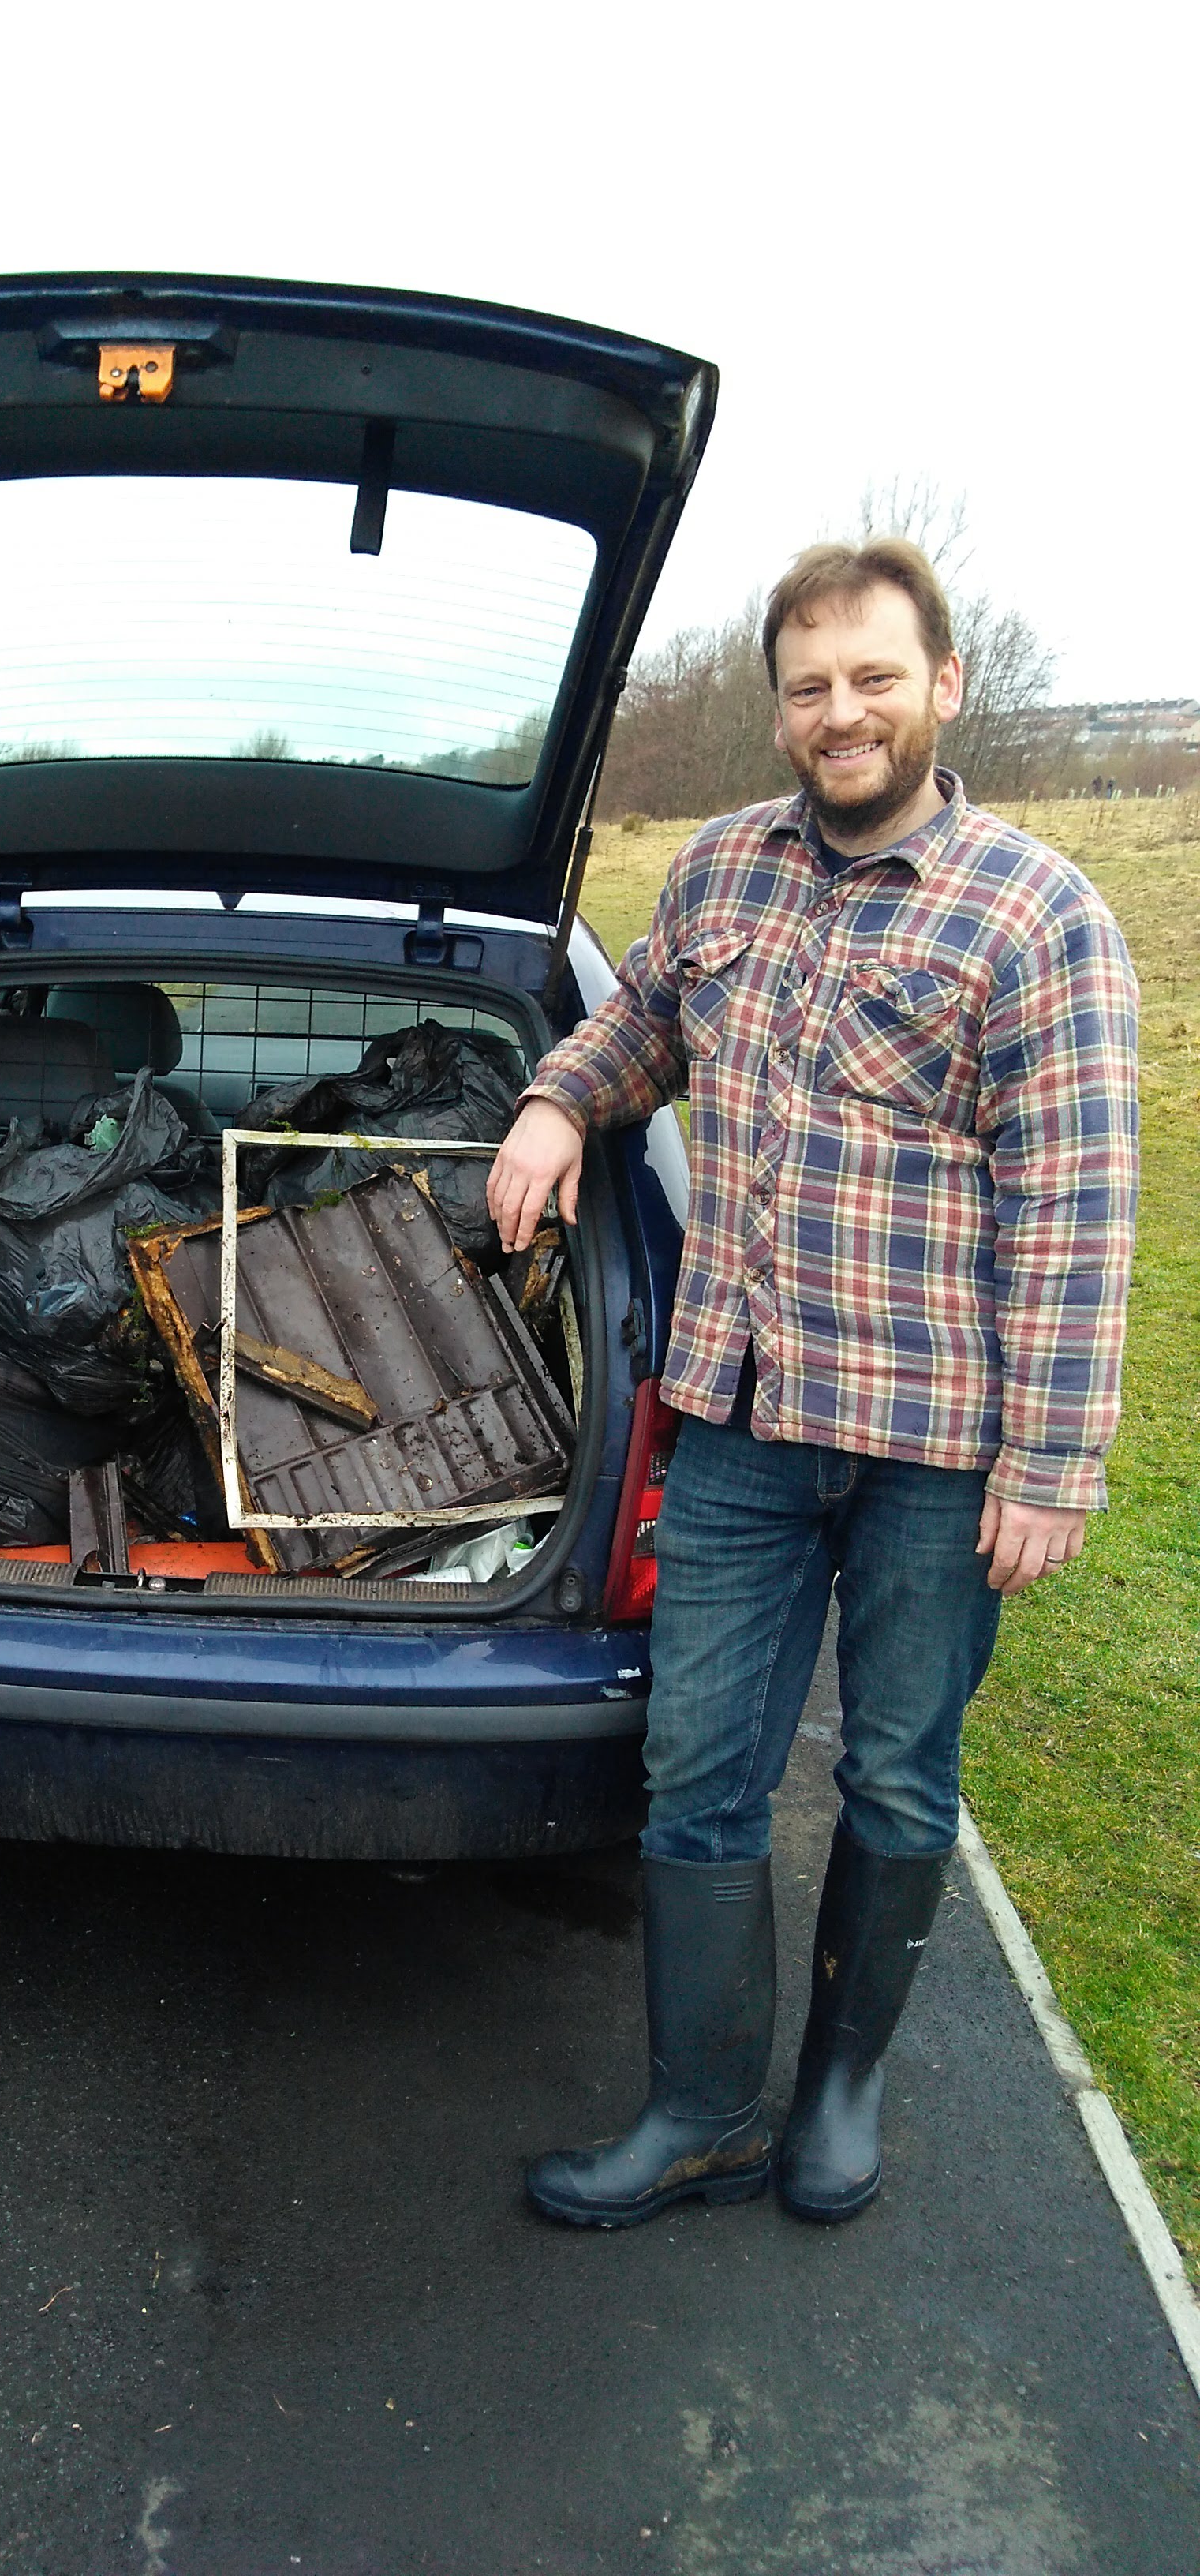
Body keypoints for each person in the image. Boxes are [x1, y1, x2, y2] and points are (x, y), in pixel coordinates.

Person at [488, 541, 1138, 2227]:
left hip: (937, 1448)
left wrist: (1054, 1466)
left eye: (871, 678)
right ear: (778, 706)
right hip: (741, 1424)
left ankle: (837, 2094)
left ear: (944, 684)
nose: (838, 714)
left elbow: (1074, 1212)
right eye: (809, 687)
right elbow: (639, 1031)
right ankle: (700, 2108)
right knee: (698, 1766)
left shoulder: (1037, 914)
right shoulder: (718, 873)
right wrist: (563, 1099)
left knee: (901, 1773)